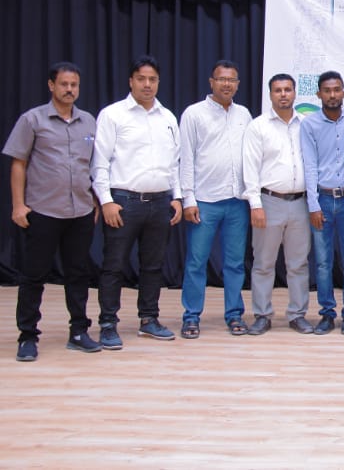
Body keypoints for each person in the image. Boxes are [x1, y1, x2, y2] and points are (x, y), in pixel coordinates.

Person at [4, 62, 100, 361]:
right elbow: (18, 163)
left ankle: (79, 331)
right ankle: (28, 336)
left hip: (80, 211)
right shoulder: (32, 119)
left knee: (78, 274)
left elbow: (94, 166)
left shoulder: (89, 121)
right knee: (34, 276)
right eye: (64, 84)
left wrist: (96, 201)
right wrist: (18, 205)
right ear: (51, 85)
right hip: (44, 210)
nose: (69, 90)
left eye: (74, 85)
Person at [91, 55, 183, 349]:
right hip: (123, 202)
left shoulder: (167, 118)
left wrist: (177, 197)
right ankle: (108, 324)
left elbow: (174, 163)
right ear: (131, 81)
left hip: (160, 203)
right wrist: (106, 201)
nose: (147, 84)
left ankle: (149, 320)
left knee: (153, 266)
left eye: (152, 79)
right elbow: (99, 163)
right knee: (114, 266)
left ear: (158, 82)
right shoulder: (113, 115)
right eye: (141, 79)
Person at [178, 59, 252, 339]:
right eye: (222, 79)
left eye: (232, 80)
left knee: (235, 263)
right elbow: (186, 158)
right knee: (196, 262)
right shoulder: (194, 114)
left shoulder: (244, 114)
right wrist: (188, 199)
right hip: (204, 201)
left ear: (238, 84)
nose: (227, 84)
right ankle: (191, 316)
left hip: (237, 201)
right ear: (211, 82)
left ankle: (234, 314)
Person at [242, 74, 312, 335]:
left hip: (300, 203)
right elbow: (250, 167)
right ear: (270, 94)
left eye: (288, 90)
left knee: (298, 264)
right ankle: (262, 315)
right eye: (278, 90)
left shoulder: (305, 124)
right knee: (263, 263)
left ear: (295, 93)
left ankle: (297, 314)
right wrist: (255, 204)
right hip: (269, 202)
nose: (283, 94)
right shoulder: (258, 127)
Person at [301, 71, 344, 335]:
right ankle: (327, 314)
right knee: (323, 263)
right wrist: (313, 205)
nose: (332, 95)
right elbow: (309, 166)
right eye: (327, 90)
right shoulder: (309, 124)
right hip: (323, 200)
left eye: (337, 90)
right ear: (319, 94)